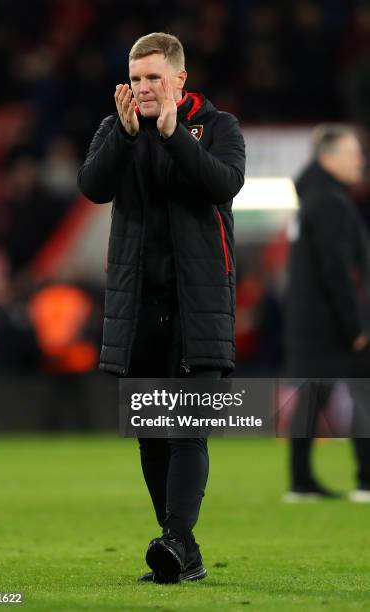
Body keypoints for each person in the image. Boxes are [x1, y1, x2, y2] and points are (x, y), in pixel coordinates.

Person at [78, 32, 245, 582]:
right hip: (139, 308)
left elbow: (223, 182)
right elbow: (92, 187)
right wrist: (125, 138)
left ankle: (175, 539)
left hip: (198, 303)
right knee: (152, 429)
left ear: (179, 79)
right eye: (135, 77)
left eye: (153, 77)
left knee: (187, 427)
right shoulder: (117, 128)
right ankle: (181, 547)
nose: (142, 87)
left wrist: (175, 136)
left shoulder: (218, 127)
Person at [285, 124, 370, 502]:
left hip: (308, 320)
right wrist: (357, 324)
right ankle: (366, 479)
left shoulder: (312, 201)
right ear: (328, 158)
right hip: (332, 322)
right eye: (354, 154)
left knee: (312, 397)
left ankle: (300, 481)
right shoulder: (331, 203)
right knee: (362, 395)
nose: (361, 162)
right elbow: (339, 269)